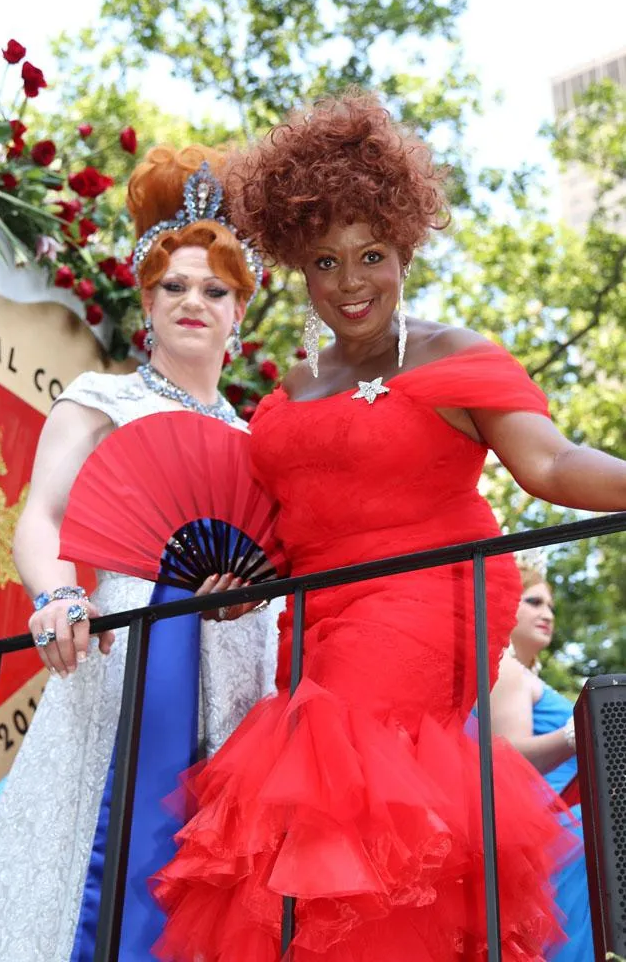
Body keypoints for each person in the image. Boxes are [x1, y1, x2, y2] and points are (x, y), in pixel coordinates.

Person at [151, 92, 626, 962]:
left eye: (370, 254)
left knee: (334, 777)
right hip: (314, 619)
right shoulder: (291, 388)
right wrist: (240, 588)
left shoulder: (453, 354)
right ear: (298, 265)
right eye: (324, 261)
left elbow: (553, 465)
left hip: (427, 594)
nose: (350, 282)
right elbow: (287, 526)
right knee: (321, 816)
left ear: (405, 247)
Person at [0, 145, 280, 962]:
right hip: (123, 656)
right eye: (173, 286)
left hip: (239, 671)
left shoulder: (260, 443)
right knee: (96, 853)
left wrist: (252, 590)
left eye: (214, 290)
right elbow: (41, 519)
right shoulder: (101, 400)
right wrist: (58, 596)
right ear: (146, 299)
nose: (193, 301)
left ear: (239, 311)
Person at [490, 558, 594, 961]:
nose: (547, 614)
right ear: (504, 605)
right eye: (533, 602)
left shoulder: (525, 676)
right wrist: (579, 732)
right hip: (553, 840)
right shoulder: (507, 670)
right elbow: (507, 756)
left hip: (561, 837)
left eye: (551, 606)